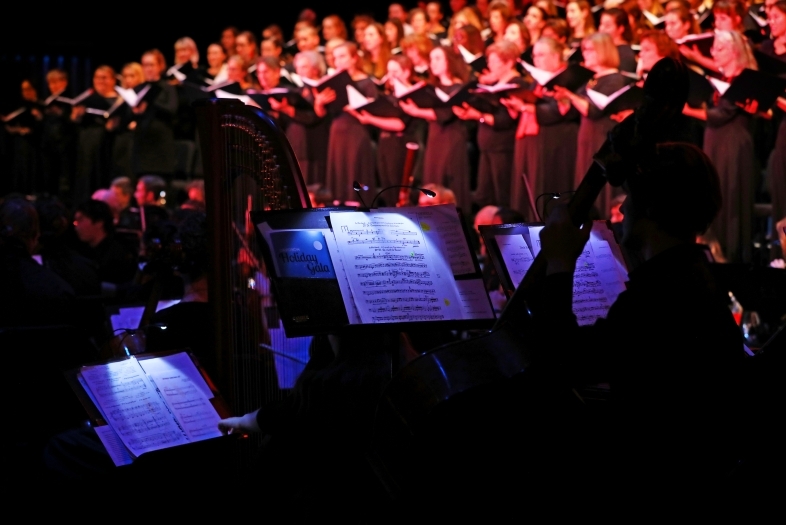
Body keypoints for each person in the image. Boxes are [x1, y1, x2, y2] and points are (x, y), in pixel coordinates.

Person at [529, 142, 744, 489]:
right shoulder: (694, 277)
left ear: (651, 207)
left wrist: (559, 263)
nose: (624, 208)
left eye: (630, 198)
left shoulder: (659, 295)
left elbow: (562, 360)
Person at [683, 30, 758, 262]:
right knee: (714, 192)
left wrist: (687, 110)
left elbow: (723, 114)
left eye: (719, 48)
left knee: (730, 192)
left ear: (734, 51)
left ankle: (733, 253)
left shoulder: (745, 78)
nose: (713, 52)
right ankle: (715, 253)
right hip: (716, 140)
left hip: (733, 143)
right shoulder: (722, 79)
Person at [554, 33, 631, 218]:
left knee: (598, 184)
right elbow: (573, 111)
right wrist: (562, 97)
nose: (585, 54)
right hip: (586, 136)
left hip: (600, 136)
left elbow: (593, 110)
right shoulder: (590, 79)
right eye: (584, 50)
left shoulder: (614, 79)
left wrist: (571, 96)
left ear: (602, 51)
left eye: (589, 50)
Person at [503, 37, 580, 221]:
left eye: (541, 55)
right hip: (531, 139)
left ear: (555, 56)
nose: (536, 60)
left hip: (555, 141)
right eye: (534, 56)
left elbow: (563, 111)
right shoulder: (538, 81)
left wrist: (528, 108)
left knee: (545, 187)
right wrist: (517, 105)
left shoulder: (567, 78)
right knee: (527, 186)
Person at [454, 40, 528, 209]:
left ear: (509, 62)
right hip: (488, 146)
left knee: (503, 197)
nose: (490, 65)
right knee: (484, 197)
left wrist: (479, 116)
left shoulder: (518, 84)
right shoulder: (492, 84)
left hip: (503, 148)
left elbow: (507, 120)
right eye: (489, 61)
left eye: (494, 61)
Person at [399, 45, 472, 212]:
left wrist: (417, 111)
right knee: (432, 179)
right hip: (434, 137)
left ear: (449, 61)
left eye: (438, 58)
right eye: (431, 59)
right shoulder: (431, 88)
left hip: (452, 137)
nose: (433, 63)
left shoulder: (458, 87)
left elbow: (446, 113)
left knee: (450, 180)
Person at [318, 42, 378, 203]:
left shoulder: (367, 82)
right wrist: (319, 102)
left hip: (356, 132)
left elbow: (372, 111)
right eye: (335, 58)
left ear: (354, 58)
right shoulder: (333, 82)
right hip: (337, 132)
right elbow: (321, 114)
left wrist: (354, 106)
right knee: (339, 179)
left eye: (343, 56)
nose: (338, 61)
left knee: (355, 172)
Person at [131, 50, 177, 178]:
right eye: (145, 65)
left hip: (161, 144)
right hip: (142, 144)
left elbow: (172, 110)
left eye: (152, 65)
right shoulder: (138, 89)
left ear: (160, 66)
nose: (148, 69)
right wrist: (135, 112)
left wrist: (151, 104)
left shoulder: (167, 87)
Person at [72, 199, 138, 285]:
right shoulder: (83, 251)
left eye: (81, 220)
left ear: (99, 222)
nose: (76, 226)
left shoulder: (117, 255)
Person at [598, 8, 638, 73]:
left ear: (620, 29)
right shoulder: (605, 49)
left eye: (607, 26)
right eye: (601, 24)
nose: (602, 29)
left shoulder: (625, 55)